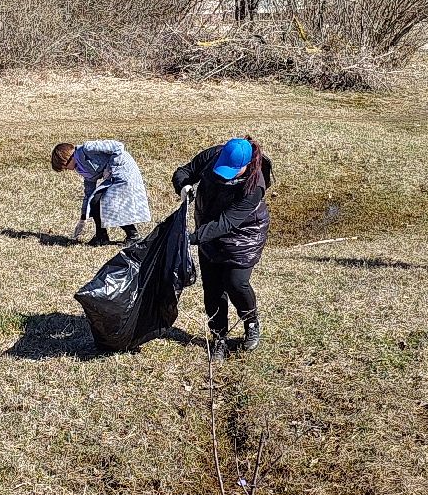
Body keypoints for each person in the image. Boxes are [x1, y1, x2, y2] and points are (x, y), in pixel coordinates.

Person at [172, 137, 272, 357]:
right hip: (208, 227)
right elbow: (184, 171)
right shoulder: (212, 156)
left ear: (245, 166)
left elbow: (226, 223)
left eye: (230, 171)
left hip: (244, 234)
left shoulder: (254, 186)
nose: (221, 174)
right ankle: (219, 337)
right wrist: (184, 186)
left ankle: (251, 323)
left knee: (236, 282)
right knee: (213, 287)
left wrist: (191, 238)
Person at [50, 140, 152, 246]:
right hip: (112, 176)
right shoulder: (81, 168)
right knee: (94, 202)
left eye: (64, 166)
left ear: (66, 159)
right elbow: (89, 194)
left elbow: (118, 147)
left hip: (124, 172)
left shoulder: (87, 148)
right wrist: (83, 217)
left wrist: (112, 166)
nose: (66, 169)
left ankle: (133, 236)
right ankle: (101, 236)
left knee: (112, 203)